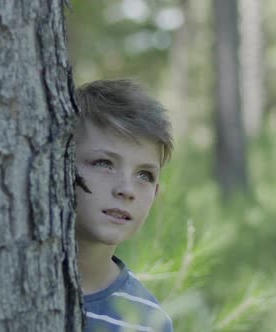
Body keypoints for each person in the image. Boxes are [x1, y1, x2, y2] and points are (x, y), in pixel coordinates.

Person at [74, 79, 174, 332]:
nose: (126, 190)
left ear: (156, 193)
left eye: (145, 176)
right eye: (104, 163)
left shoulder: (148, 323)